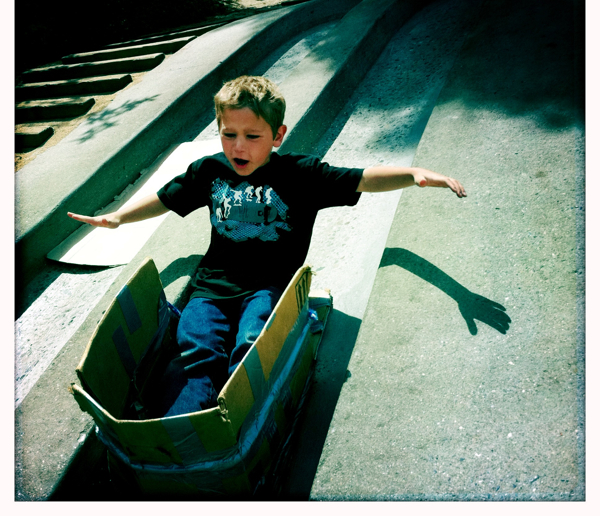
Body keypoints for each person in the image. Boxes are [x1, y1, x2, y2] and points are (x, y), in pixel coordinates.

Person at [68, 75, 466, 417]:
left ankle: (241, 414)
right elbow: (165, 198)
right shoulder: (209, 171)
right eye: (229, 134)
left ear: (277, 136)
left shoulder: (300, 175)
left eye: (252, 137)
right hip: (210, 288)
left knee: (251, 345)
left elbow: (361, 178)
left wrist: (412, 173)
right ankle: (185, 431)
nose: (238, 147)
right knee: (197, 350)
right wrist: (119, 217)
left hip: (267, 286)